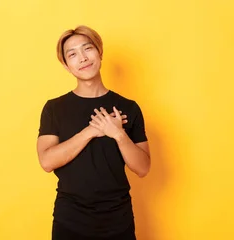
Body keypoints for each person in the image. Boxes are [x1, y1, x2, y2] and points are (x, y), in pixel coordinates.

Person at [36, 25, 151, 240]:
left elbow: (143, 168)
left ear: (99, 53)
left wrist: (118, 134)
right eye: (72, 54)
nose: (82, 58)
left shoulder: (129, 107)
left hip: (119, 220)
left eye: (87, 48)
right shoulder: (54, 108)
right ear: (66, 65)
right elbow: (46, 161)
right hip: (70, 220)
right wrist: (91, 130)